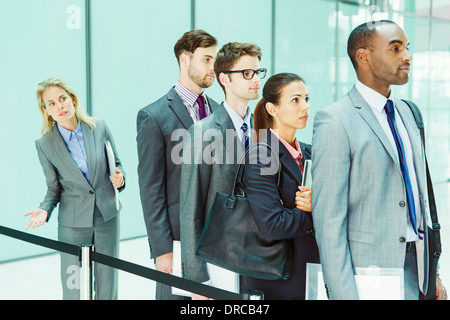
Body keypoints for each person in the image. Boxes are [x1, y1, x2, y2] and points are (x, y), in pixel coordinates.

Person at [311, 20, 446, 300]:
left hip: (417, 270)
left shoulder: (409, 113)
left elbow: (420, 201)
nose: (407, 56)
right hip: (368, 278)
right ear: (364, 57)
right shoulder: (335, 120)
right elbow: (329, 223)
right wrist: (343, 295)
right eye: (395, 48)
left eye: (407, 47)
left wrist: (434, 273)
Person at [136, 29, 220, 300]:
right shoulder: (154, 116)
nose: (213, 67)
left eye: (215, 60)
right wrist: (162, 249)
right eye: (207, 59)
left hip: (219, 237)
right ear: (185, 60)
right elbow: (151, 189)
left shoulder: (221, 111)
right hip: (177, 237)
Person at [24, 78, 125, 300]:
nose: (59, 106)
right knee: (74, 287)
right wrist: (44, 209)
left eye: (62, 99)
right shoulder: (44, 145)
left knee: (108, 284)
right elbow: (53, 188)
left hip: (106, 216)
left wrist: (120, 178)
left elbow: (117, 164)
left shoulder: (99, 127)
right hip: (72, 225)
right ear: (46, 111)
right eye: (51, 103)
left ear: (73, 99)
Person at [180, 42, 265, 300]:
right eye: (247, 73)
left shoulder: (263, 129)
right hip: (219, 256)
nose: (255, 80)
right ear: (224, 79)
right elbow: (190, 208)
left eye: (258, 72)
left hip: (261, 256)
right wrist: (196, 279)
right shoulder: (203, 132)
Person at [242, 73, 319, 300]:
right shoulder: (261, 155)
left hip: (311, 273)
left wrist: (319, 205)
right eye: (295, 100)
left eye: (306, 99)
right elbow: (273, 225)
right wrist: (318, 211)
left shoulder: (310, 152)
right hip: (278, 282)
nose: (305, 106)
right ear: (272, 109)